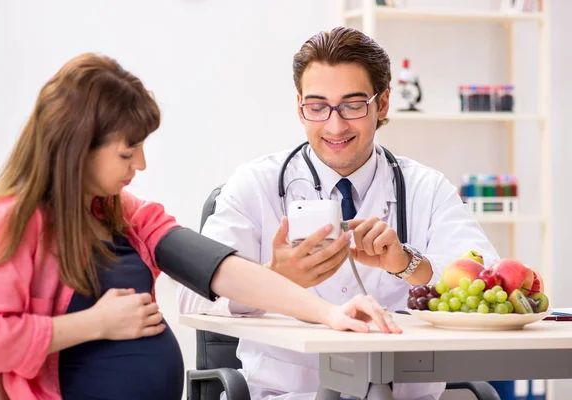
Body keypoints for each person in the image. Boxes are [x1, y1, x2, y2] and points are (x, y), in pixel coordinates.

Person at [0, 53, 402, 400]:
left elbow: (220, 269)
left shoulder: (124, 212)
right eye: (127, 153)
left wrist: (330, 313)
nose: (140, 164)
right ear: (77, 148)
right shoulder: (14, 221)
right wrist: (95, 324)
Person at [177, 26, 499, 400]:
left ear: (383, 104)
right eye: (317, 107)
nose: (335, 124)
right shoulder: (256, 184)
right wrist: (273, 279)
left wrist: (408, 264)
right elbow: (191, 295)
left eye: (352, 105)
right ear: (300, 107)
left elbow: (488, 279)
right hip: (290, 396)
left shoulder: (425, 188)